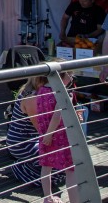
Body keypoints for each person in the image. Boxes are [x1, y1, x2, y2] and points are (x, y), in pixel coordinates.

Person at [36, 70, 79, 203]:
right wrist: (50, 134)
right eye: (70, 75)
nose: (72, 78)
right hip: (60, 135)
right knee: (71, 170)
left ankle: (47, 198)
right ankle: (74, 201)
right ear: (61, 76)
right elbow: (57, 115)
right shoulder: (63, 92)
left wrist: (46, 135)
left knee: (46, 166)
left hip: (45, 134)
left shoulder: (41, 90)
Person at [6, 76, 52, 187]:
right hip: (24, 143)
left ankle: (31, 168)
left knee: (64, 164)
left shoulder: (39, 93)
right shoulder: (32, 97)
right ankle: (21, 169)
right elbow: (41, 129)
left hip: (34, 139)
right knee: (59, 166)